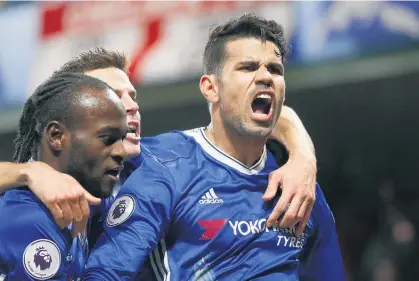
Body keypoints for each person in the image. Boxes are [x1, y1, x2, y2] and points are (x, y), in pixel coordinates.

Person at [84, 14, 345, 281]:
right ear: (210, 88)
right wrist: (38, 175)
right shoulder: (160, 163)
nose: (266, 77)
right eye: (247, 67)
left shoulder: (302, 187)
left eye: (275, 70)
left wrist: (303, 158)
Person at [0, 48, 317, 237]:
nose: (131, 105)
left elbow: (278, 115)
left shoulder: (162, 157)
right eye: (113, 96)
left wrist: (303, 161)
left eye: (132, 96)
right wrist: (29, 174)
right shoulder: (36, 190)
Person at [0, 73, 128, 280]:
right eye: (108, 138)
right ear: (56, 136)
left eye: (122, 138)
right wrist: (27, 171)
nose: (121, 151)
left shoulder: (88, 199)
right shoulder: (31, 222)